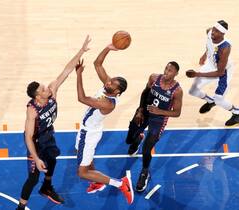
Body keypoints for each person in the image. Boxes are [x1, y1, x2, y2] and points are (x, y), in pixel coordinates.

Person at [16, 36, 91, 210]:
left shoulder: (52, 92)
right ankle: (20, 208)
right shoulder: (32, 110)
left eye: (46, 86)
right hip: (35, 142)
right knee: (33, 177)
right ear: (37, 96)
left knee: (53, 159)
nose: (48, 88)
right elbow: (28, 137)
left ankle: (47, 187)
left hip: (48, 135)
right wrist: (35, 157)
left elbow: (66, 70)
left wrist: (81, 50)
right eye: (43, 89)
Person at [74, 44, 133, 204]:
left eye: (112, 84)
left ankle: (121, 184)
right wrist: (108, 47)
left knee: (82, 172)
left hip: (89, 134)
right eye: (110, 80)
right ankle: (97, 181)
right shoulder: (108, 88)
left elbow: (82, 98)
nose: (108, 82)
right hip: (88, 130)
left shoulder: (108, 103)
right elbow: (97, 64)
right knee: (80, 153)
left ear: (117, 92)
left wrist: (79, 74)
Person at [125, 61, 183, 192]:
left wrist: (159, 111)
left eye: (170, 70)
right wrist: (140, 110)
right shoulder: (154, 78)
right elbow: (145, 93)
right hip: (144, 111)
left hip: (158, 119)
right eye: (166, 69)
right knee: (129, 139)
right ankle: (137, 139)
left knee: (147, 149)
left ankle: (145, 173)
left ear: (176, 74)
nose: (167, 72)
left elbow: (177, 113)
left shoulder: (177, 91)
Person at [186, 20, 239, 126]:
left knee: (219, 99)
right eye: (213, 29)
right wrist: (205, 55)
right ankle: (210, 101)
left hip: (223, 71)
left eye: (217, 31)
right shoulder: (210, 32)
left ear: (223, 34)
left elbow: (219, 72)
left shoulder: (225, 48)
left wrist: (197, 74)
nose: (213, 32)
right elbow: (209, 45)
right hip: (210, 65)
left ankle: (237, 113)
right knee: (192, 91)